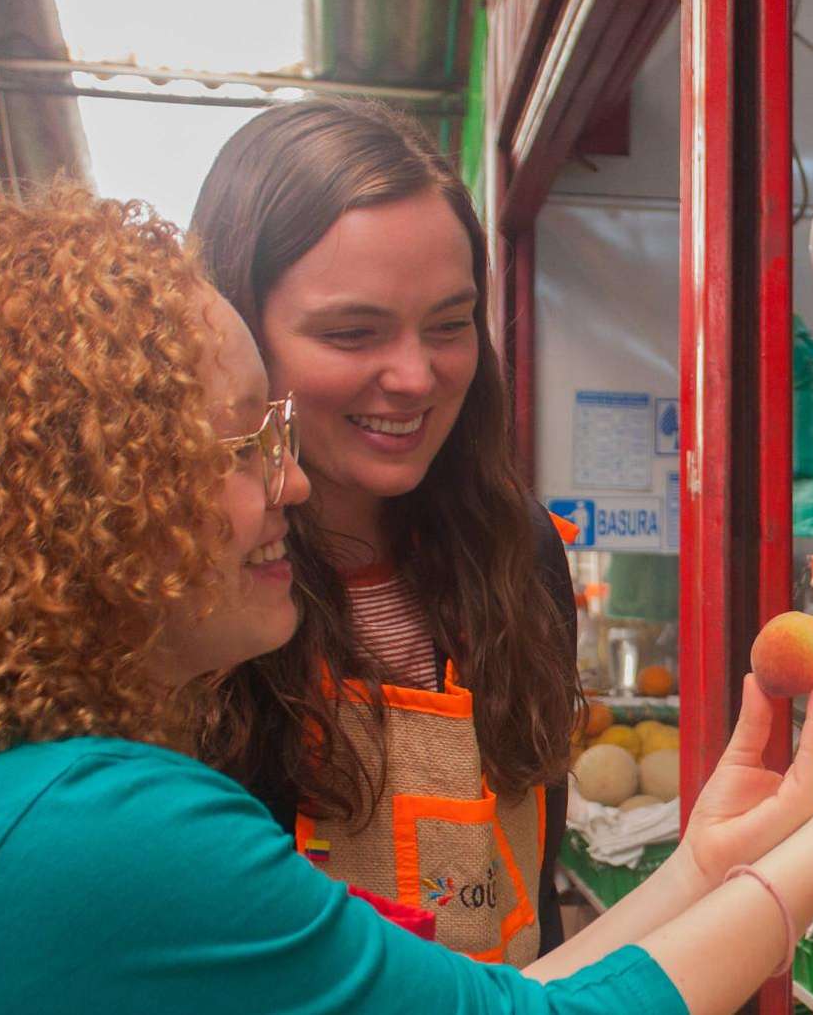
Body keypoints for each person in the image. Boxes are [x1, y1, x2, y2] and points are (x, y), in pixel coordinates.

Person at [0, 188, 813, 1014]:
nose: (295, 482)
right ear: (85, 494)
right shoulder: (104, 831)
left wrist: (706, 863)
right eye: (242, 441)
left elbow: (474, 1000)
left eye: (450, 323)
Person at [187, 97, 589, 962]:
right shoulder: (192, 590)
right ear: (236, 331)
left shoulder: (519, 551)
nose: (415, 376)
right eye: (352, 332)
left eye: (451, 326)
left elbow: (540, 891)